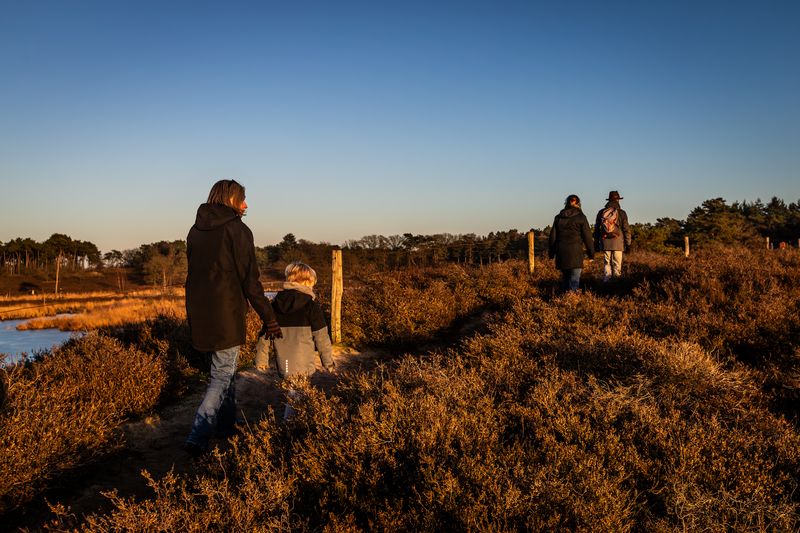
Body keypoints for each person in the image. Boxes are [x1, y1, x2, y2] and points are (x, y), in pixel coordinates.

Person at [184, 179, 281, 457]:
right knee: (222, 374)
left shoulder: (195, 230)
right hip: (226, 312)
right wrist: (269, 317)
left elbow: (194, 274)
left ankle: (226, 426)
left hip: (200, 312)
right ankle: (197, 436)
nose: (246, 205)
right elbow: (250, 280)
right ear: (231, 200)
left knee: (224, 370)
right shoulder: (237, 230)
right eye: (243, 199)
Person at [269, 261, 335, 419]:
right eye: (312, 283)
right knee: (298, 394)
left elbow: (265, 332)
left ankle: (294, 422)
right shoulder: (311, 306)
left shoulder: (276, 304)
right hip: (304, 360)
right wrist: (328, 362)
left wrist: (261, 358)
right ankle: (291, 426)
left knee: (294, 390)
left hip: (284, 360)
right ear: (306, 282)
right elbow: (322, 337)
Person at [548, 194, 595, 293]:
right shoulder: (581, 217)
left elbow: (552, 238)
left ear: (566, 203)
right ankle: (572, 302)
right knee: (574, 280)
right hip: (575, 253)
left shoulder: (558, 217)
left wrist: (551, 254)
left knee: (565, 280)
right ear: (578, 204)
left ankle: (565, 301)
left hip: (562, 253)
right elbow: (588, 238)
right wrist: (591, 254)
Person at [594, 190, 631, 282]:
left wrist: (596, 242)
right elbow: (626, 229)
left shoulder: (601, 212)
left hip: (605, 240)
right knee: (617, 264)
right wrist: (628, 243)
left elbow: (597, 228)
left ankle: (607, 282)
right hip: (618, 242)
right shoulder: (622, 213)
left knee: (607, 263)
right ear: (618, 200)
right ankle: (617, 283)